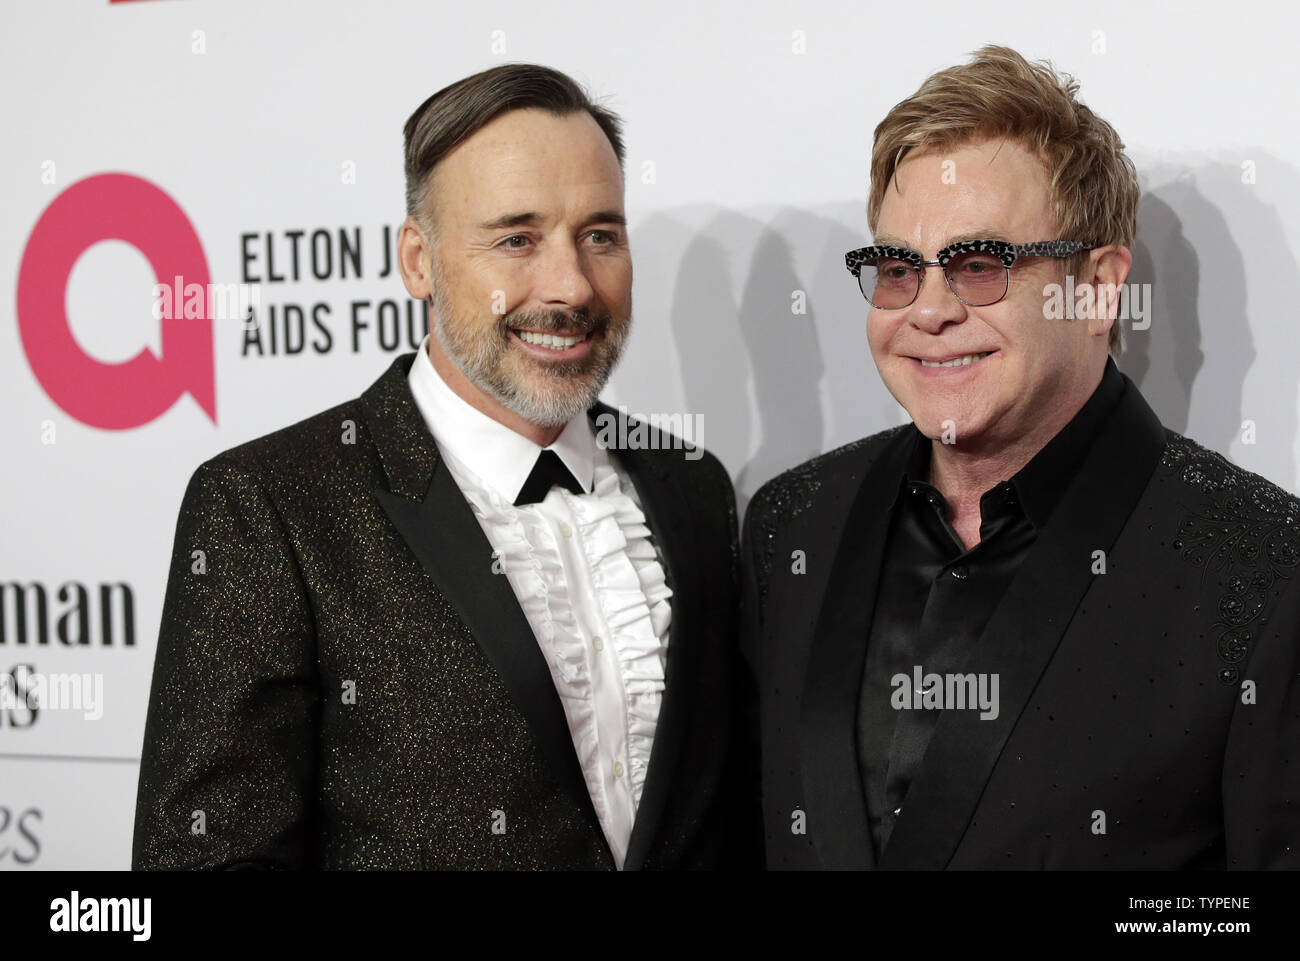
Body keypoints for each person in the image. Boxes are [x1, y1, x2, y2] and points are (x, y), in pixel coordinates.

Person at [134, 63, 757, 870]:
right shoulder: (269, 508)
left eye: (600, 235)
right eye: (516, 239)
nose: (569, 285)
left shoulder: (693, 485)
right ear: (419, 260)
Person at [742, 45, 1299, 869]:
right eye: (899, 269)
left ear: (1100, 286)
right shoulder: (793, 523)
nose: (928, 310)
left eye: (977, 266)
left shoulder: (1262, 564)